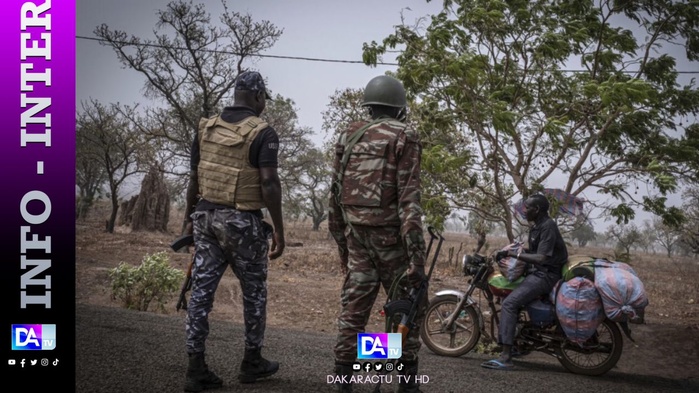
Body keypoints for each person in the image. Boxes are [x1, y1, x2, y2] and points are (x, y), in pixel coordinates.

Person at [182, 70, 285, 392]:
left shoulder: (205, 128)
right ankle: (251, 361)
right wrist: (279, 230)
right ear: (258, 97)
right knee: (254, 292)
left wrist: (188, 218)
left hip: (205, 218)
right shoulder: (263, 133)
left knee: (201, 293)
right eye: (264, 98)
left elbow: (195, 180)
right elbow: (268, 183)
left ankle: (195, 367)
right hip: (242, 223)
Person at [328, 74, 427, 393]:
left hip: (356, 239)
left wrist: (343, 247)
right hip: (392, 243)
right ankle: (406, 384)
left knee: (354, 312)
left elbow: (334, 195)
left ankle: (343, 382)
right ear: (400, 109)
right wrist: (417, 260)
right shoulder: (405, 135)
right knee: (406, 308)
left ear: (369, 107)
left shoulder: (350, 133)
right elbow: (409, 202)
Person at [481, 193, 568, 370]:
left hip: (546, 275)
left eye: (527, 208)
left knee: (510, 304)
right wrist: (510, 249)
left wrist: (513, 254)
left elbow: (541, 257)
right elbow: (534, 249)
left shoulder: (548, 227)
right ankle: (517, 343)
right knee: (510, 299)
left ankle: (506, 357)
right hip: (538, 272)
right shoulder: (538, 226)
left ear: (537, 210)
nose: (524, 210)